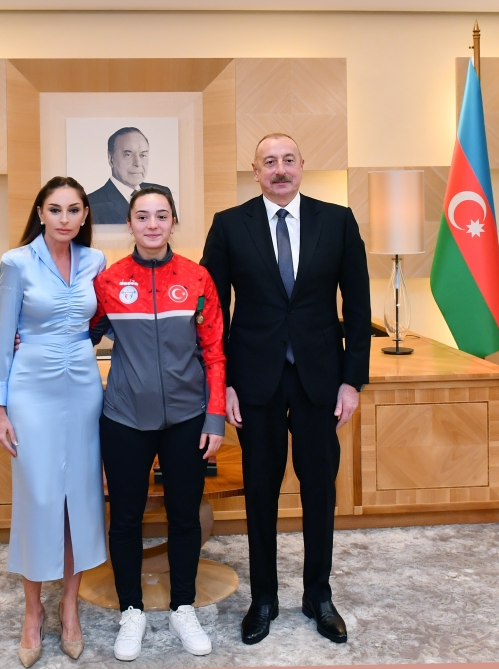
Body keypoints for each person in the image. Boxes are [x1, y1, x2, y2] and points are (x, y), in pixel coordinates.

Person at [201, 133, 371, 646]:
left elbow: (358, 307)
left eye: (288, 160)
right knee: (261, 491)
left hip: (321, 379)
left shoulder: (337, 221)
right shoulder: (229, 225)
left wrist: (352, 380)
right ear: (255, 171)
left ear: (302, 166)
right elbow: (212, 314)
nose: (280, 169)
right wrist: (224, 384)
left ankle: (318, 595)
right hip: (255, 381)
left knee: (320, 490)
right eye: (269, 162)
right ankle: (264, 598)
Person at [89, 187, 225, 661]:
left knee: (184, 516)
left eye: (161, 216)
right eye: (143, 216)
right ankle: (132, 610)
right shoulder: (109, 281)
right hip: (124, 417)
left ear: (173, 223)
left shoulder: (196, 277)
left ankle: (183, 606)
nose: (152, 225)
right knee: (126, 518)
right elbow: (80, 334)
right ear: (130, 224)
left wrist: (215, 416)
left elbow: (214, 352)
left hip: (187, 419)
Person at [0, 176, 108, 667]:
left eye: (74, 209)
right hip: (31, 387)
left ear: (84, 215)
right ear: (40, 213)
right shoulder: (16, 262)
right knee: (38, 498)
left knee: (81, 498)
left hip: (83, 386)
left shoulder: (95, 261)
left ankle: (69, 607)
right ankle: (33, 611)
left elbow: (100, 321)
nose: (64, 218)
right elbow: (2, 337)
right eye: (55, 209)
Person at [87, 127, 174, 224]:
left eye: (143, 155)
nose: (138, 163)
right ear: (111, 159)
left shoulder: (163, 193)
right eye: (128, 155)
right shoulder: (91, 203)